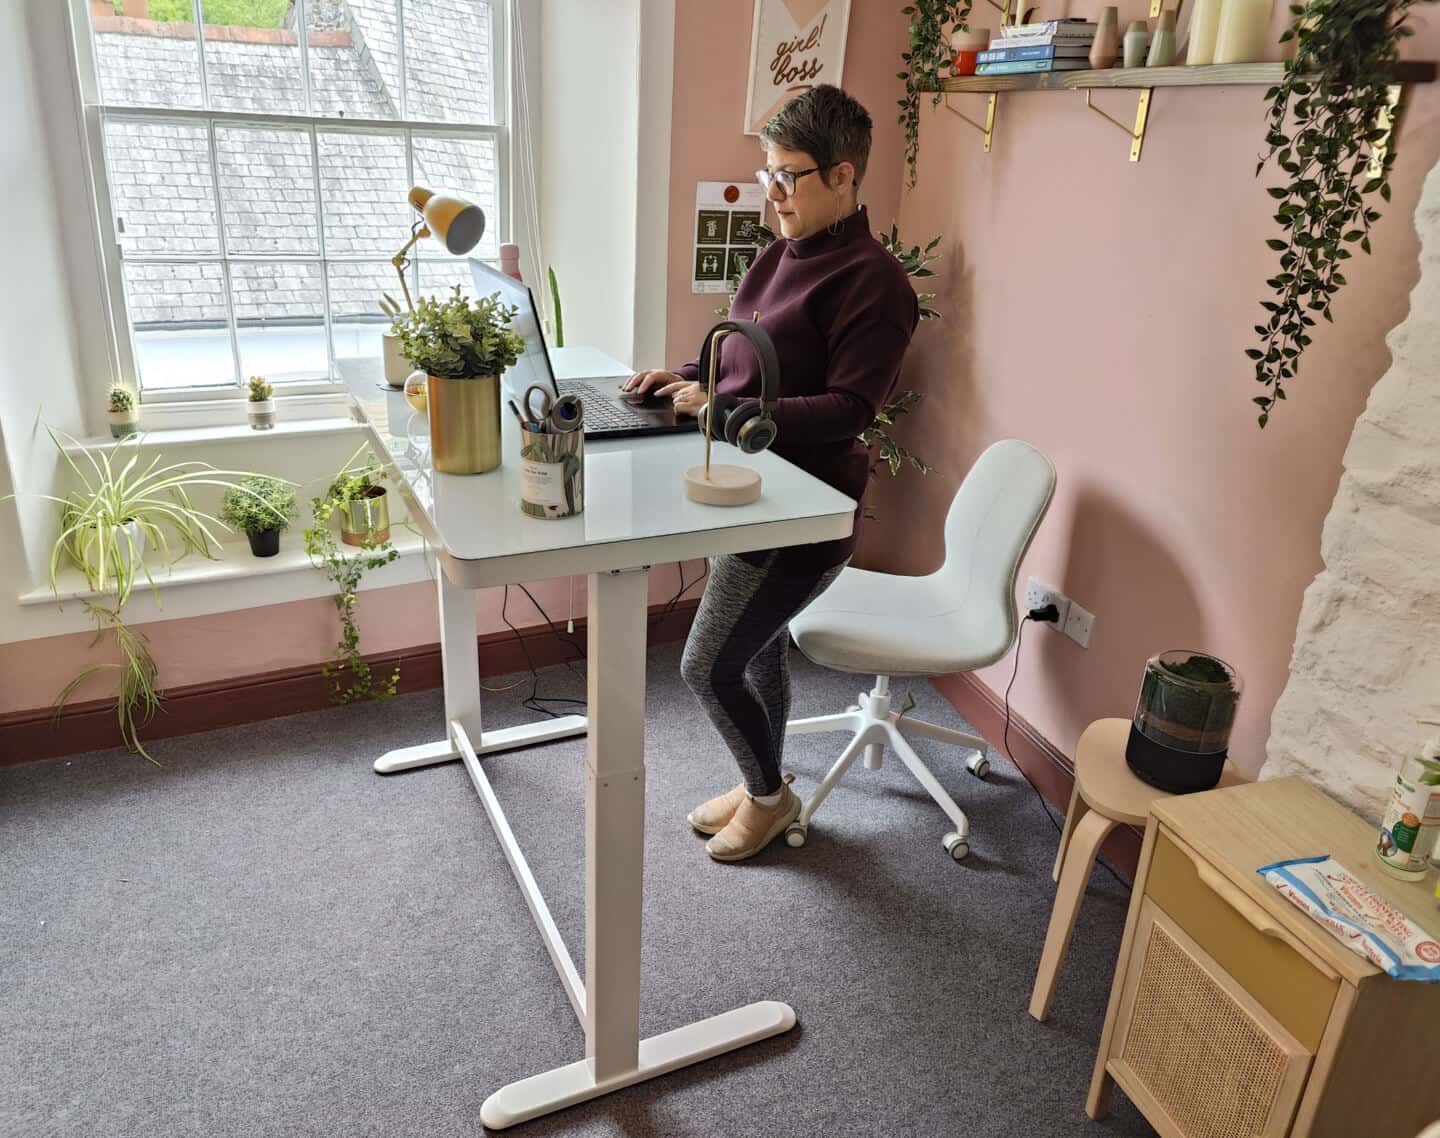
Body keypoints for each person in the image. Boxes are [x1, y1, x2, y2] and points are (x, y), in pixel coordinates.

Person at [625, 85, 919, 862]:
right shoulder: (777, 256)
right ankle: (767, 779)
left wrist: (726, 412)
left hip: (804, 514)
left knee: (706, 666)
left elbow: (850, 408)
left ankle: (768, 796)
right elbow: (745, 356)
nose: (774, 192)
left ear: (843, 175)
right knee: (756, 653)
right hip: (750, 495)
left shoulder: (876, 283)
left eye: (789, 175)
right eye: (767, 173)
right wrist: (682, 374)